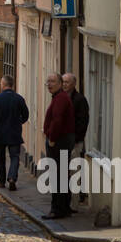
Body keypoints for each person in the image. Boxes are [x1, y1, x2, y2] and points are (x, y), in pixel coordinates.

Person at [0, 75, 29, 191]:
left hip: (0, 134)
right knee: (15, 157)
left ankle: (2, 181)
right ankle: (12, 177)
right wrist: (19, 122)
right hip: (14, 133)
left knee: (0, 158)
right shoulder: (19, 99)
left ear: (3, 85)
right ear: (12, 85)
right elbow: (26, 115)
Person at [43, 72, 76, 218]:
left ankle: (57, 209)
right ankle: (64, 207)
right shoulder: (60, 97)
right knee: (62, 175)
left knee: (57, 175)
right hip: (63, 140)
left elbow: (57, 120)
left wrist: (52, 137)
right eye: (48, 81)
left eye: (52, 81)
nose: (49, 84)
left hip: (59, 141)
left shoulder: (61, 99)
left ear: (60, 83)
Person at [62, 72, 90, 201]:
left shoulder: (79, 100)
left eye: (67, 82)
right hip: (63, 141)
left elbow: (83, 122)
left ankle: (74, 201)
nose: (64, 84)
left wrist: (75, 139)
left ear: (74, 84)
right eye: (63, 82)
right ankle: (65, 199)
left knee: (74, 171)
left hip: (74, 142)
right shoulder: (61, 98)